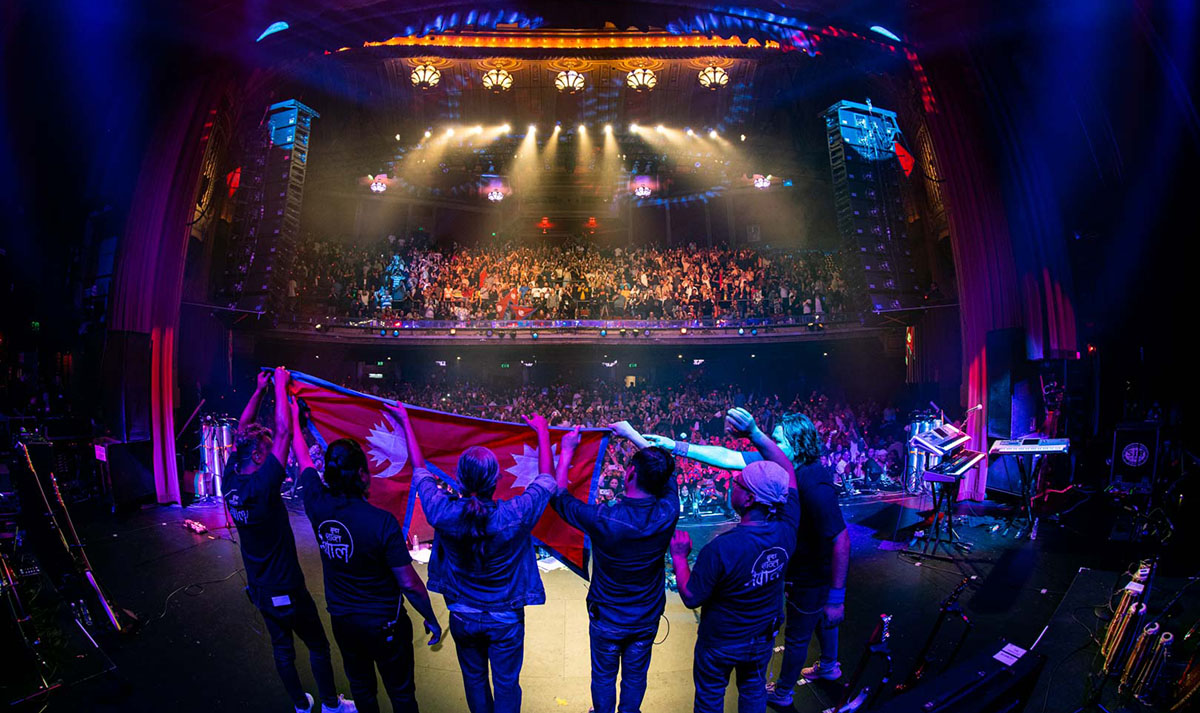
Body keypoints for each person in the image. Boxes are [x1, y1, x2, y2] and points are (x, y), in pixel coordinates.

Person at [648, 409, 849, 709]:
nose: (768, 444)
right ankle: (830, 664)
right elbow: (728, 458)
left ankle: (783, 692)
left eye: (777, 440)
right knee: (767, 670)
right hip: (784, 567)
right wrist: (675, 445)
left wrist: (836, 596)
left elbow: (840, 539)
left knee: (798, 634)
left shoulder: (812, 487)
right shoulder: (777, 476)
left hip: (811, 575)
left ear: (798, 444)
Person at [395, 405, 555, 713]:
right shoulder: (516, 514)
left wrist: (405, 423)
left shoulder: (443, 512)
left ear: (458, 479)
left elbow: (420, 471)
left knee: (474, 680)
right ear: (496, 481)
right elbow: (547, 478)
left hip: (463, 615)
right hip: (505, 618)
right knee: (507, 684)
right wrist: (543, 432)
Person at [292, 400, 442, 713]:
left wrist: (297, 422)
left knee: (363, 692)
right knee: (401, 695)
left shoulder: (316, 505)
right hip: (384, 625)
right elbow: (410, 584)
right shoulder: (381, 522)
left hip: (344, 622)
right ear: (362, 474)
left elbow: (303, 458)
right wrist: (430, 616)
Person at [224, 368, 355, 713]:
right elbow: (283, 432)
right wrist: (280, 387)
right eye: (266, 451)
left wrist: (258, 391)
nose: (272, 455)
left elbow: (241, 430)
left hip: (259, 587)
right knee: (317, 645)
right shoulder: (263, 485)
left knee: (282, 648)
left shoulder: (231, 481)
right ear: (257, 457)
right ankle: (330, 705)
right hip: (286, 586)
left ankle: (300, 704)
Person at [668, 408, 800, 713]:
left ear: (751, 498)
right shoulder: (788, 527)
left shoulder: (722, 549)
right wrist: (754, 433)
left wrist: (679, 559)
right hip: (762, 637)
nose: (732, 485)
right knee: (753, 694)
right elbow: (788, 472)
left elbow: (690, 596)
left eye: (738, 483)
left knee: (710, 700)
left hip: (721, 643)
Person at [550, 421, 679, 713]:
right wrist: (634, 435)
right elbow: (667, 475)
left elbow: (558, 496)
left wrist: (567, 451)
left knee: (604, 676)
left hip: (607, 617)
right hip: (646, 616)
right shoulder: (669, 511)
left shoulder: (603, 518)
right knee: (635, 677)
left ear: (630, 473)